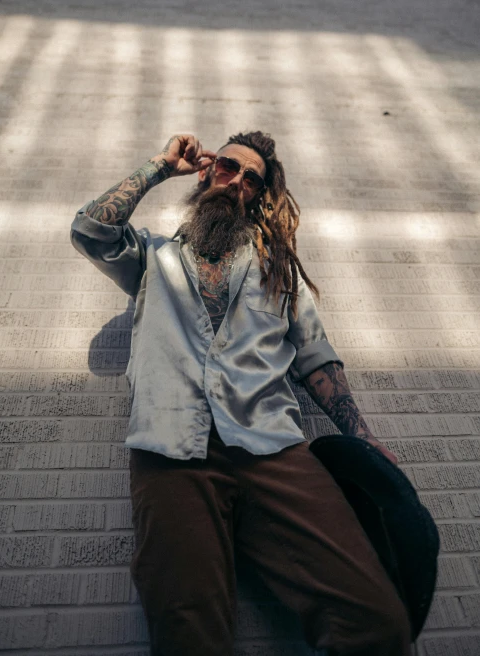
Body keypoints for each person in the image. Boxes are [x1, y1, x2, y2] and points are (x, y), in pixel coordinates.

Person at [70, 131, 412, 656]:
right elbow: (91, 230)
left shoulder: (278, 271)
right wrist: (162, 166)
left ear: (258, 196)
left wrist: (361, 436)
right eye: (229, 168)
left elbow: (316, 358)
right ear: (207, 170)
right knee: (189, 638)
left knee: (376, 619)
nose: (238, 183)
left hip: (273, 449)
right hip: (171, 453)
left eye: (252, 180)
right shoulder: (152, 259)